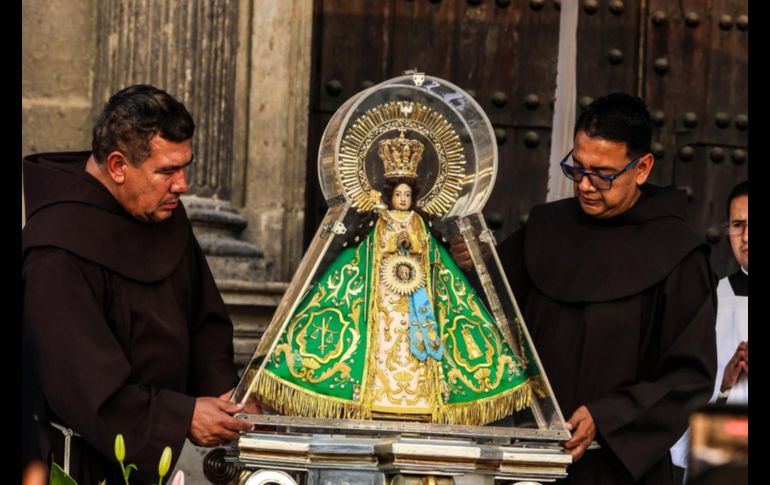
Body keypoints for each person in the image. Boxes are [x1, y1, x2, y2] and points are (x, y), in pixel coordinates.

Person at [22, 85, 255, 484]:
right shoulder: (56, 247)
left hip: (180, 459)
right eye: (167, 171)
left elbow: (207, 325)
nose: (182, 185)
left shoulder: (164, 214)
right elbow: (84, 386)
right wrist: (182, 417)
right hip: (87, 463)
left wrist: (225, 404)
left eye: (185, 166)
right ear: (117, 166)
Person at [492, 93, 717, 484]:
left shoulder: (679, 254)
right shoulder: (544, 230)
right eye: (577, 168)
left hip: (618, 470)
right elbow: (485, 313)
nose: (585, 185)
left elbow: (688, 376)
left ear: (642, 168)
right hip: (528, 463)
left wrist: (608, 416)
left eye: (603, 173)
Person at [247, 131, 544, 425]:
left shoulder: (421, 224)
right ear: (389, 196)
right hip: (383, 297)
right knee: (382, 342)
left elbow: (433, 256)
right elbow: (366, 253)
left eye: (408, 195)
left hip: (419, 299)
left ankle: (424, 395)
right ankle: (373, 393)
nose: (403, 200)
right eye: (398, 195)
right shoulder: (378, 224)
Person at [669, 180, 748, 481]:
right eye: (738, 224)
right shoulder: (712, 299)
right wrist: (725, 388)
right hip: (726, 454)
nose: (746, 237)